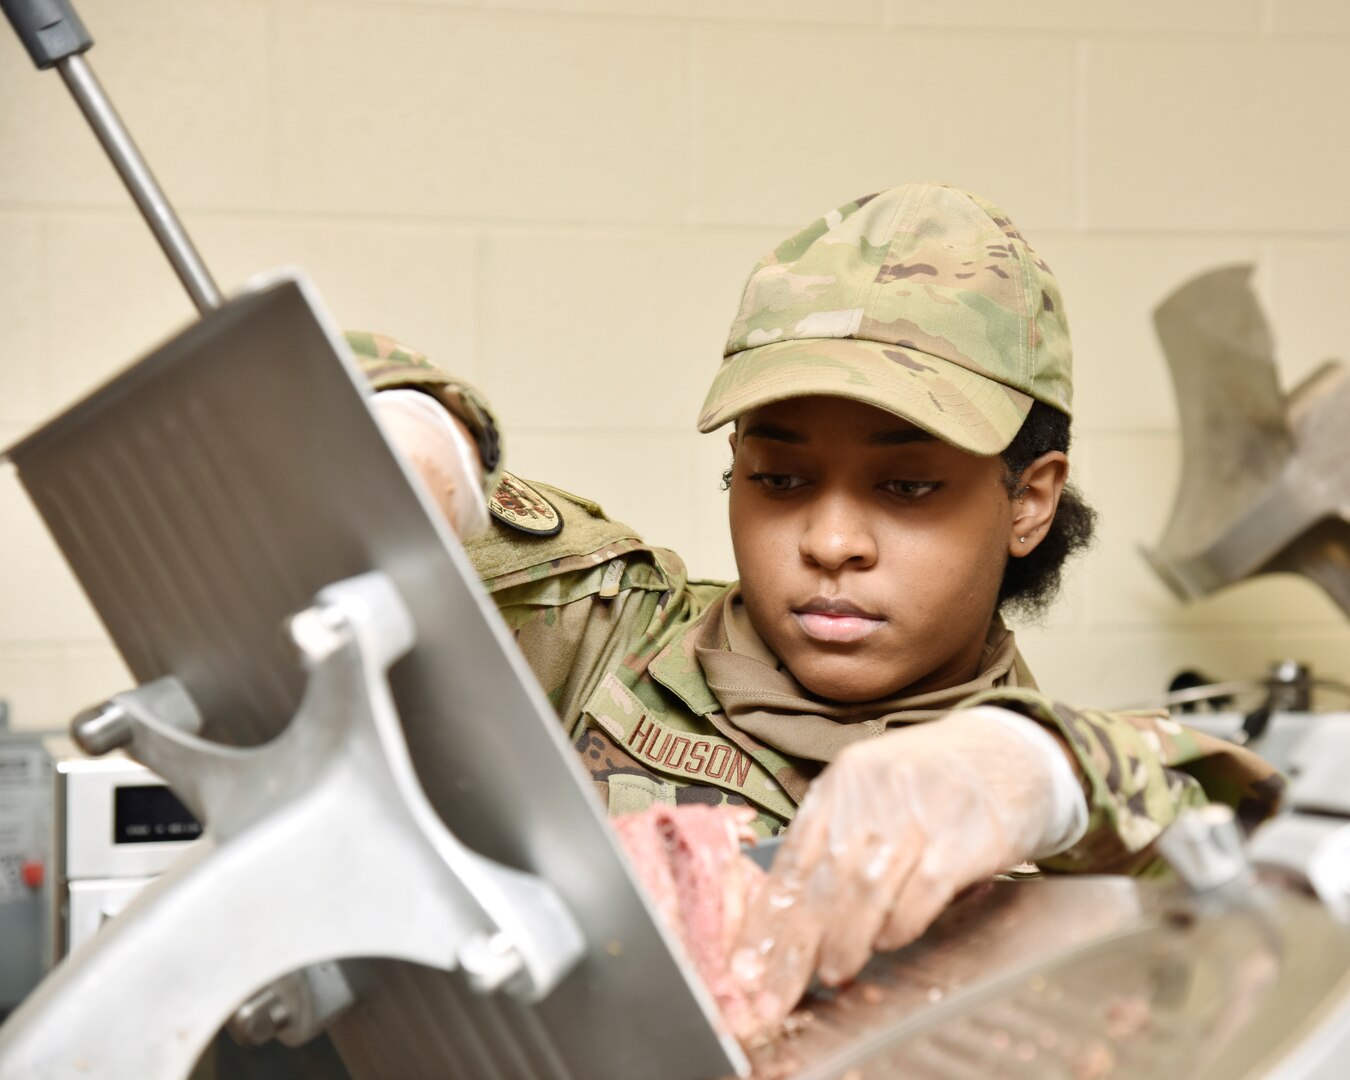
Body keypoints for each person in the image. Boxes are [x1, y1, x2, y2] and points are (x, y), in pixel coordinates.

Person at [355, 182, 1283, 1040]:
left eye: (909, 486)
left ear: (1029, 501)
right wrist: (414, 425)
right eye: (781, 478)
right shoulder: (603, 636)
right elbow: (293, 403)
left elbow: (1278, 874)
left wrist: (1045, 769)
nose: (831, 540)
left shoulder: (1058, 820)